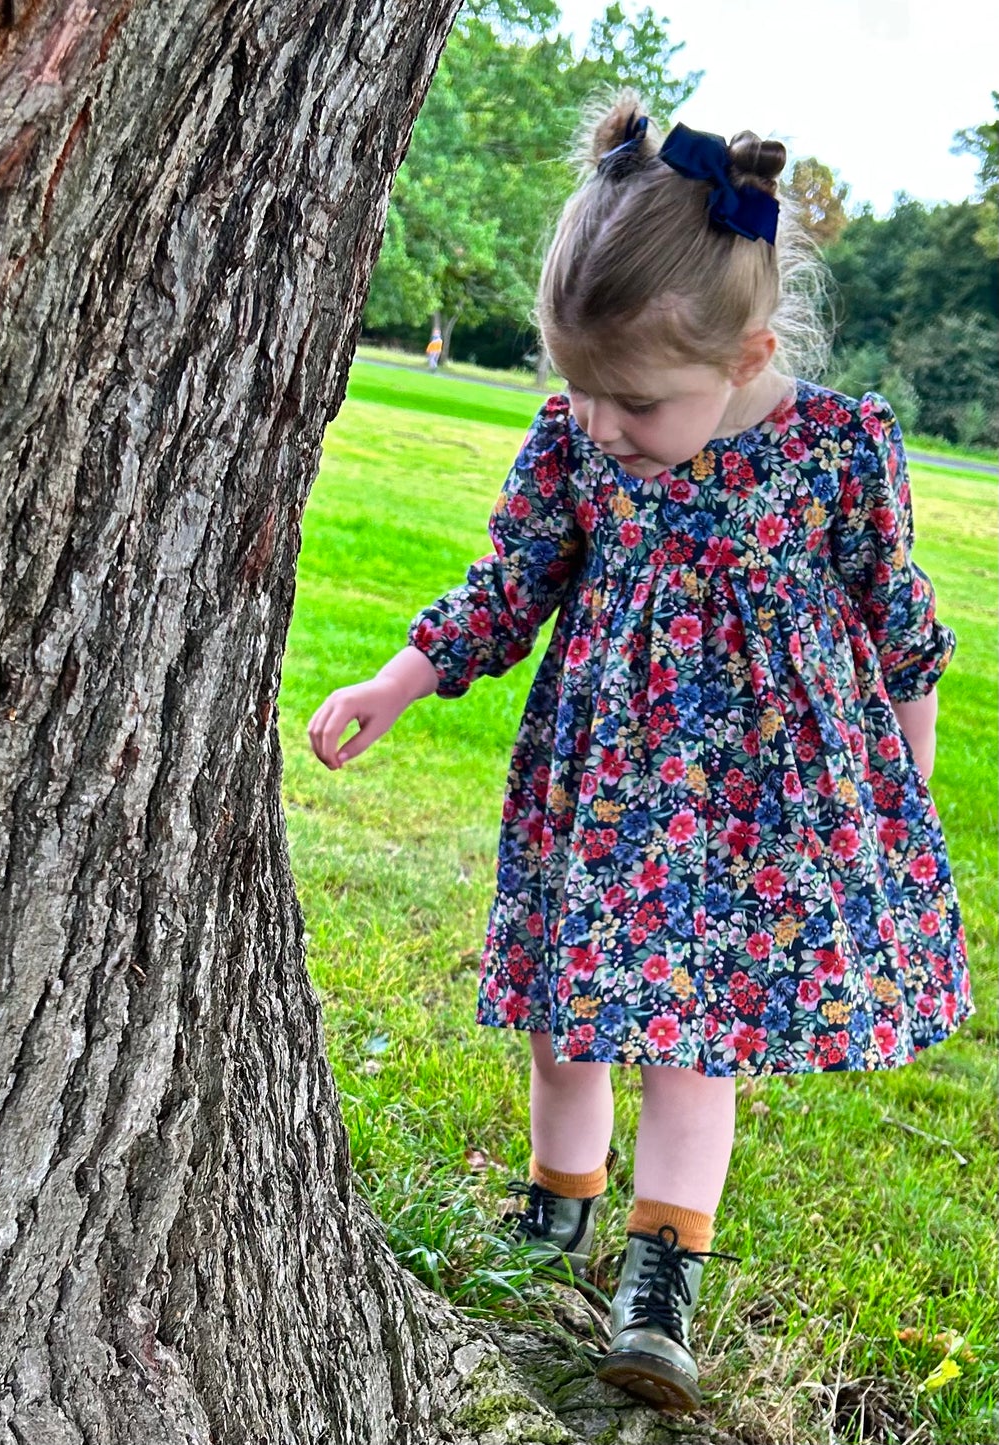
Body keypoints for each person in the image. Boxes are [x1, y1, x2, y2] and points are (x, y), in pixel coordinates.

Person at [306, 91, 972, 1412]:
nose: (604, 424)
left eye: (634, 400)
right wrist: (399, 678)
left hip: (738, 824)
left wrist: (905, 797)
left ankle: (658, 1278)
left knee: (687, 1045)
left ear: (745, 353)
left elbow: (902, 638)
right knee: (563, 1021)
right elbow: (509, 582)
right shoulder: (581, 446)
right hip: (598, 793)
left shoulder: (837, 455)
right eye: (581, 392)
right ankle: (554, 1206)